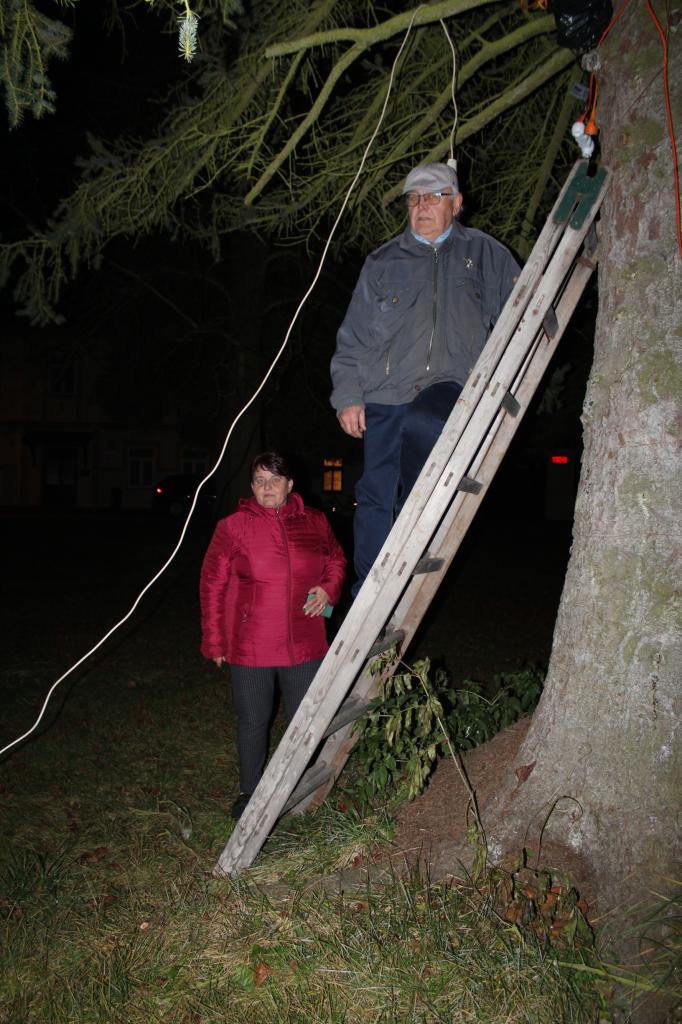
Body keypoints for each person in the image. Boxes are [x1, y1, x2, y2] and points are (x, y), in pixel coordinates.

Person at [330, 161, 520, 596]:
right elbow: (354, 334)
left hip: (450, 385)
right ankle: (369, 595)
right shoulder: (382, 262)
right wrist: (349, 395)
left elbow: (521, 311)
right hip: (385, 394)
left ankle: (413, 542)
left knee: (426, 425)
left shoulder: (485, 253)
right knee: (375, 493)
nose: (422, 206)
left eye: (434, 197)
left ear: (456, 203)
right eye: (414, 199)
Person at [199, 451, 346, 819]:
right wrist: (214, 641)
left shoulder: (315, 521)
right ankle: (250, 792)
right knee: (253, 719)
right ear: (251, 487)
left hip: (306, 641)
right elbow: (212, 584)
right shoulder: (233, 527)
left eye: (275, 480)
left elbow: (336, 559)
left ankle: (297, 786)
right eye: (260, 481)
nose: (267, 487)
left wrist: (329, 588)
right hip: (252, 644)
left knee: (303, 719)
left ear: (289, 485)